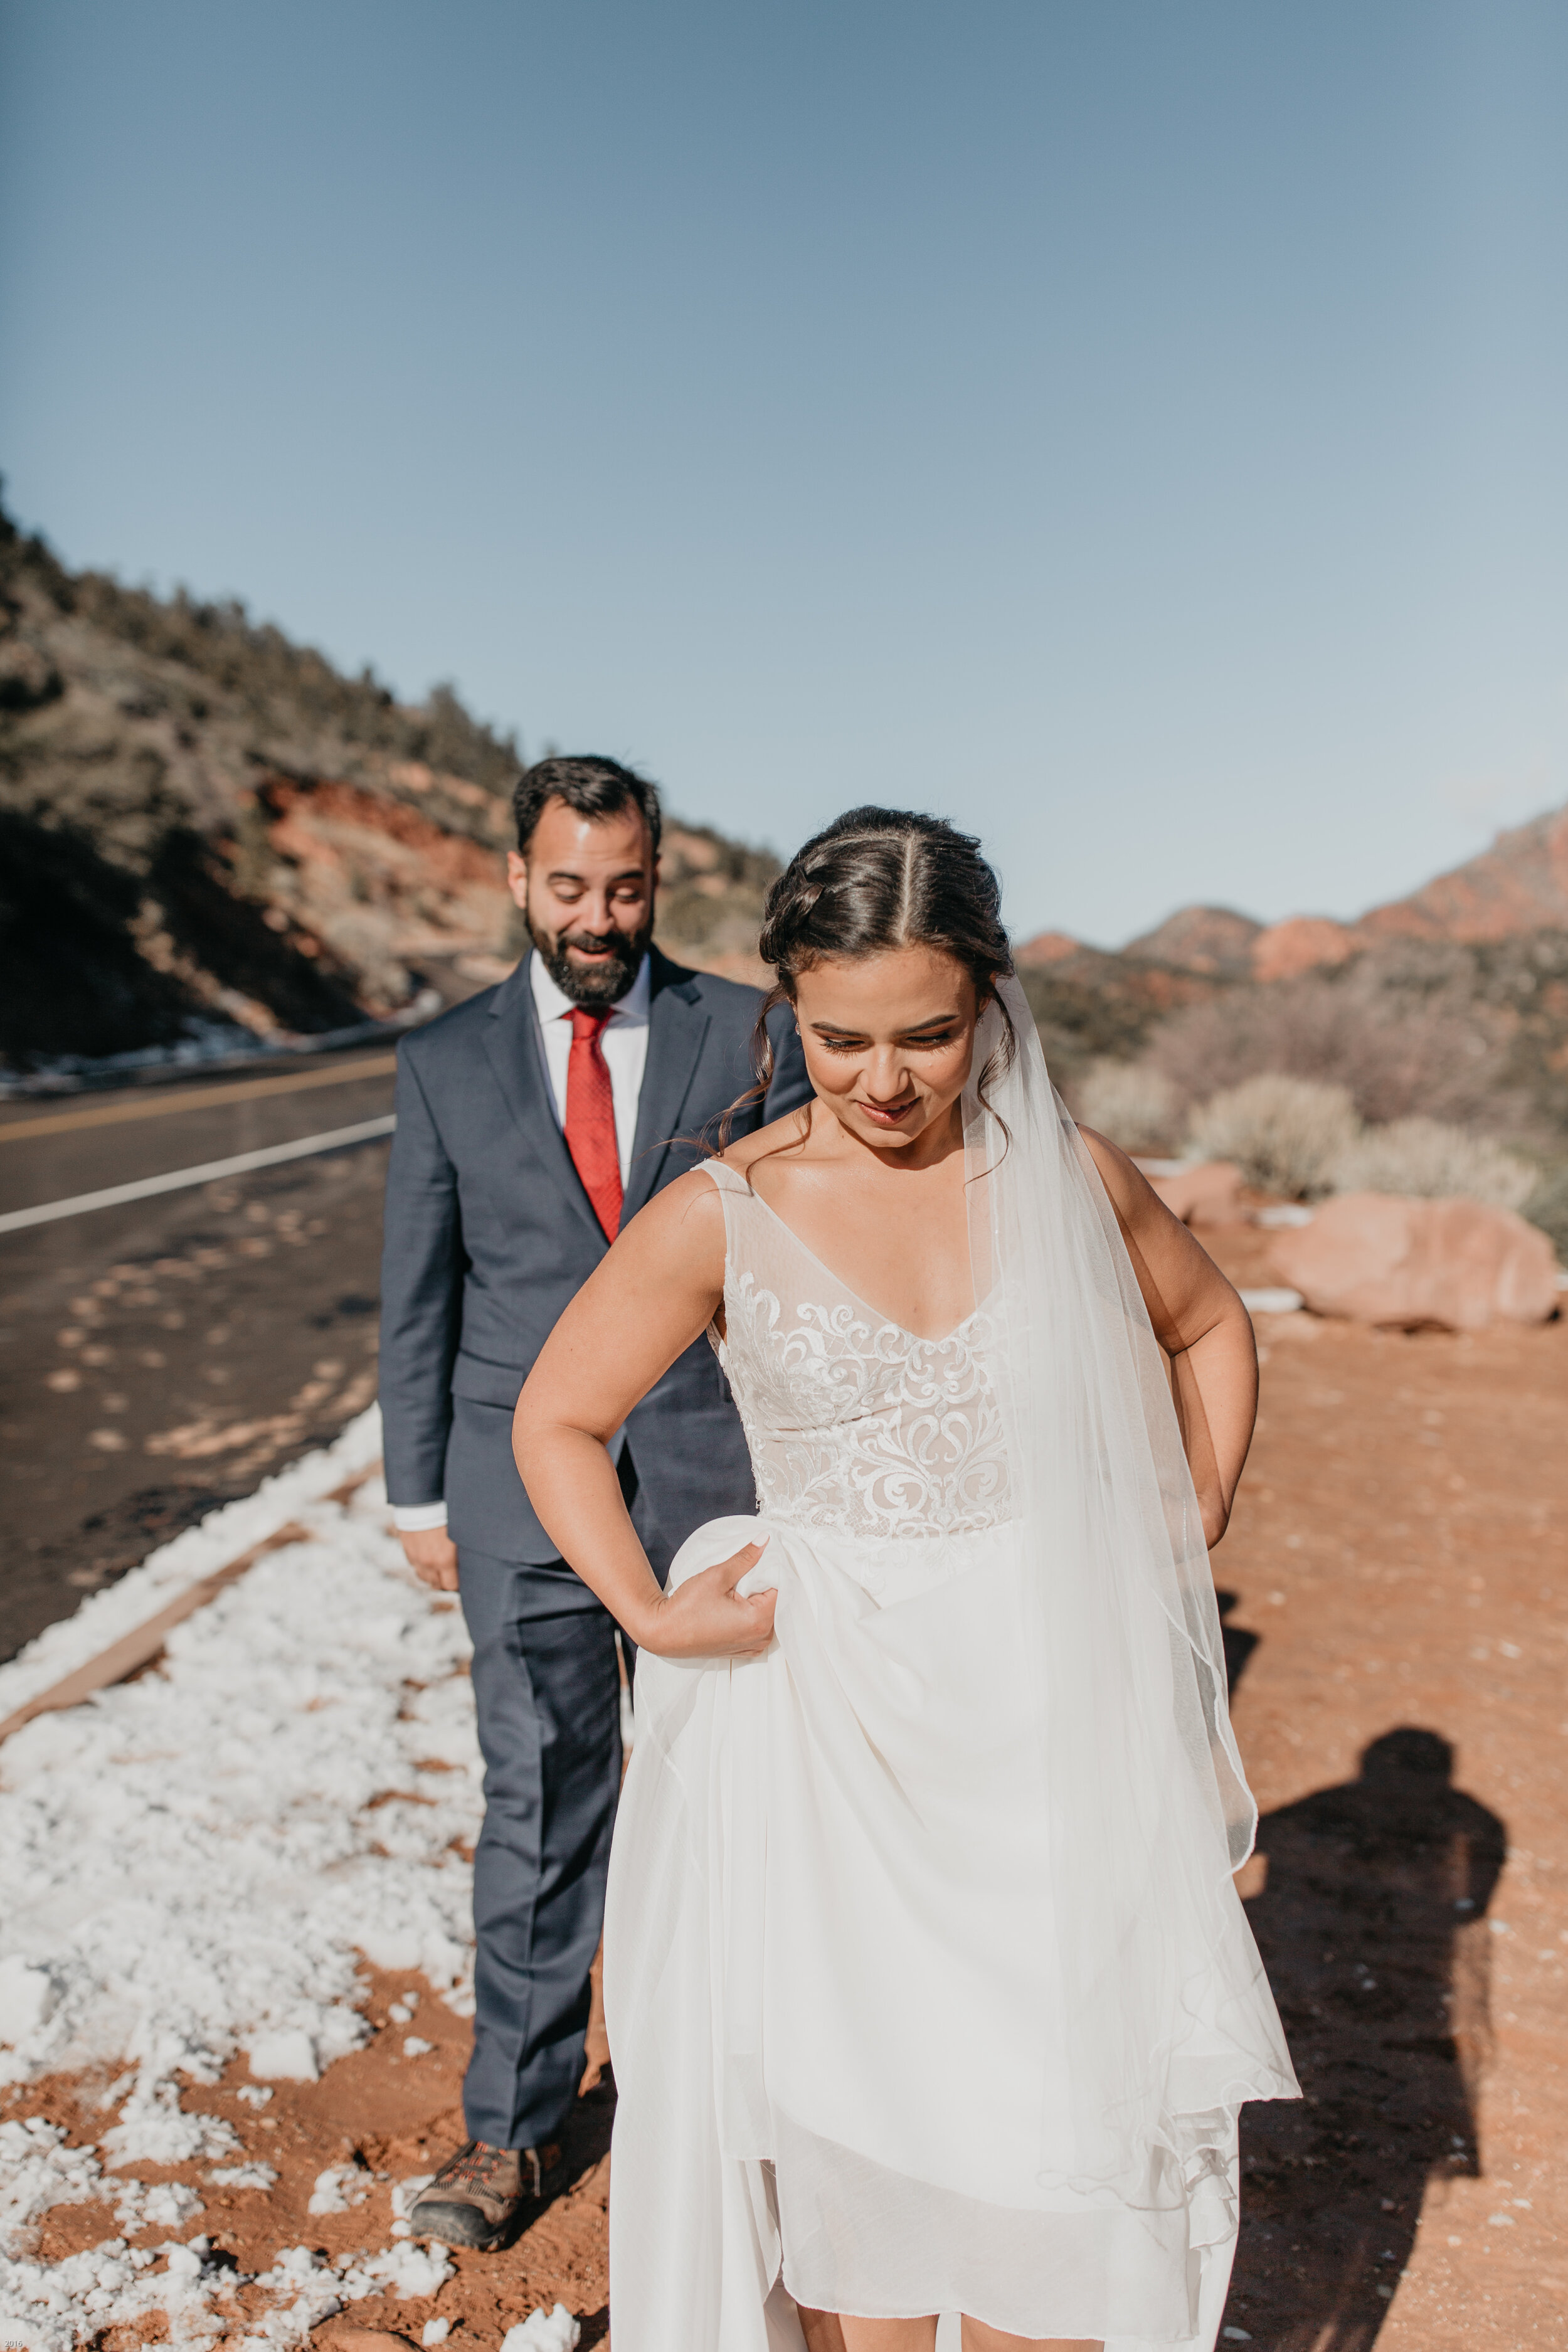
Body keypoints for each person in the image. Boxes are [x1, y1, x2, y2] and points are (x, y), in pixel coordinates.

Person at [514, 806, 1298, 2351]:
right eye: (839, 1039)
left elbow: (1209, 1322)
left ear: (990, 1003)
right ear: (785, 1011)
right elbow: (556, 1414)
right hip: (835, 1743)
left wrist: (1194, 1500)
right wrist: (654, 1610)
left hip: (1049, 1725)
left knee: (1054, 2143)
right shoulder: (722, 1208)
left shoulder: (1067, 1176)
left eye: (927, 1037)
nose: (884, 1082)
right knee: (860, 2146)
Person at [378, 755, 811, 2248]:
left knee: (750, 1799)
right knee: (544, 1800)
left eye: (625, 885)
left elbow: (813, 1249)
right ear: (517, 880)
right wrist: (412, 1497)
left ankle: (757, 2106)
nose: (598, 913)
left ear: (657, 878)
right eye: (568, 885)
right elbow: (416, 1290)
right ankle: (510, 2128)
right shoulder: (438, 1061)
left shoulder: (747, 1029)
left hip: (717, 1478)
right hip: (515, 1496)